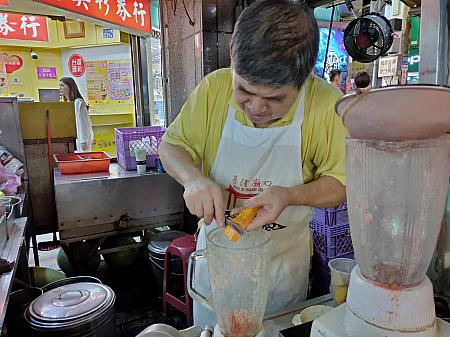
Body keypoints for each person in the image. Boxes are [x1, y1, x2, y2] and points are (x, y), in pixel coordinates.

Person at [159, 0, 347, 326]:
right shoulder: (213, 90)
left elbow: (341, 183)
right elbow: (171, 146)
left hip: (281, 269)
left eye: (275, 99)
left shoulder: (326, 105)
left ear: (304, 82)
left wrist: (291, 196)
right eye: (244, 91)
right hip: (217, 261)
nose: (257, 108)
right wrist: (193, 179)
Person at [59, 77, 94, 152]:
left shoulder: (78, 102)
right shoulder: (70, 102)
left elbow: (81, 122)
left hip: (81, 139)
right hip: (76, 138)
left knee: (84, 160)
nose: (60, 88)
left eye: (62, 85)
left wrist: (83, 140)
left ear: (70, 87)